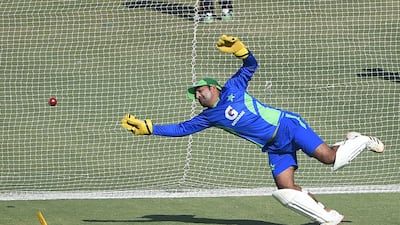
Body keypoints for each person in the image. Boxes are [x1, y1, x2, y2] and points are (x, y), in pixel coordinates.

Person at [121, 35, 385, 225]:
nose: (198, 96)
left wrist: (242, 51)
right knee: (285, 191)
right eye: (196, 95)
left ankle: (359, 140)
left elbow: (251, 67)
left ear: (214, 88)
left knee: (330, 158)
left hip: (287, 126)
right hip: (273, 146)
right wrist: (149, 128)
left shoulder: (233, 87)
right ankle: (328, 217)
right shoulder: (208, 116)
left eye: (200, 90)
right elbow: (181, 129)